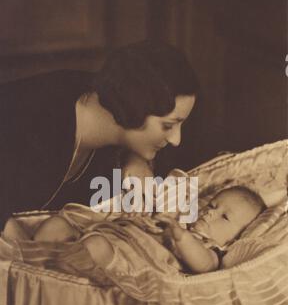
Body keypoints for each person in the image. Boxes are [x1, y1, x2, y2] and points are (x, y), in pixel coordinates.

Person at [0, 41, 198, 229]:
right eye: (168, 125)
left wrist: (134, 157)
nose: (176, 140)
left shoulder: (105, 99)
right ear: (133, 107)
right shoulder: (37, 118)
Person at [3, 185, 266, 278]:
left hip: (118, 263)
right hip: (99, 236)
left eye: (224, 216)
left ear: (233, 239)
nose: (209, 213)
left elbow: (204, 265)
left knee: (95, 248)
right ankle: (34, 261)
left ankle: (41, 269)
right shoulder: (176, 221)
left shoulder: (210, 251)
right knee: (57, 225)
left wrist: (180, 236)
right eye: (212, 205)